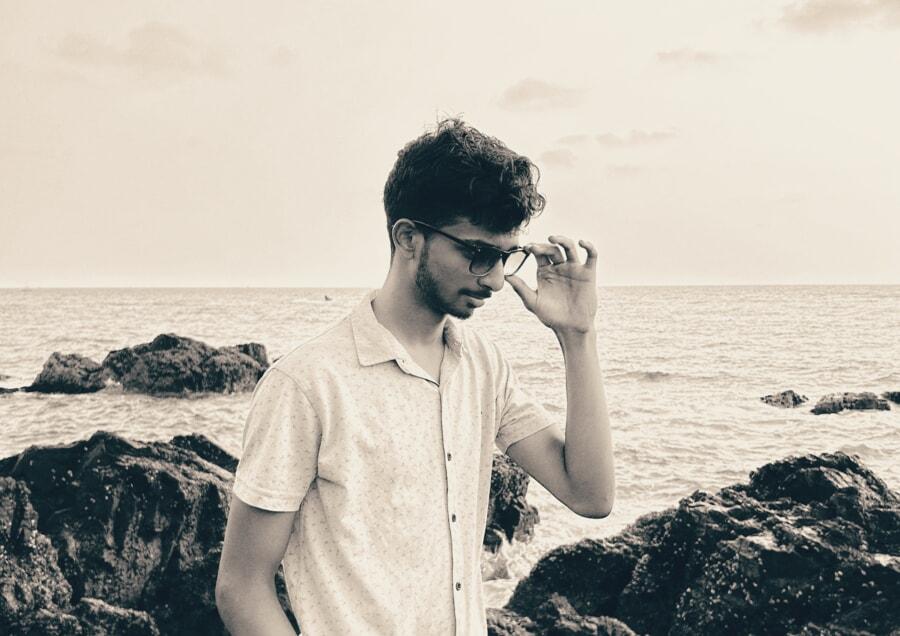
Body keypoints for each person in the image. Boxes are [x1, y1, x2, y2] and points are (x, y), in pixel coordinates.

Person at [215, 118, 615, 635]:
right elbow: (242, 587)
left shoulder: (481, 365)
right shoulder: (308, 385)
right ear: (409, 237)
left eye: (505, 257)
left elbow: (590, 495)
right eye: (477, 254)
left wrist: (577, 335)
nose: (494, 279)